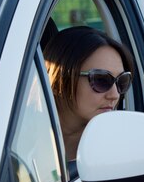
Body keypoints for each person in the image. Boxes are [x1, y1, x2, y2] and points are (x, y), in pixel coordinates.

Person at [43, 26, 134, 162]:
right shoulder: (10, 139)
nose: (115, 95)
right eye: (101, 80)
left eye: (122, 80)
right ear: (59, 80)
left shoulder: (119, 149)